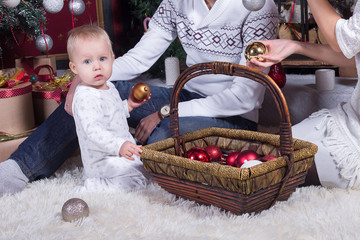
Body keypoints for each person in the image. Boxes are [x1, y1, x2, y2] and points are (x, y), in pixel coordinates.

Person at [0, 0, 279, 196]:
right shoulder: (177, 3)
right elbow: (140, 58)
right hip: (186, 95)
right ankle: (19, 168)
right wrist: (82, 79)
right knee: (96, 91)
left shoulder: (257, 6)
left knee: (160, 139)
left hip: (233, 116)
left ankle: (129, 145)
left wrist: (164, 112)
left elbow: (245, 98)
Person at [248, 0, 360, 189]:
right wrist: (295, 46)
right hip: (348, 121)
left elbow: (342, 40)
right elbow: (354, 53)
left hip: (353, 148)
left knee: (259, 175)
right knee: (260, 151)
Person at [67, 25, 150, 191]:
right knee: (133, 182)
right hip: (101, 160)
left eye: (102, 59)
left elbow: (111, 114)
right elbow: (93, 132)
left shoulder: (109, 87)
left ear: (112, 58)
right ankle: (93, 186)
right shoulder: (85, 97)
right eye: (87, 61)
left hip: (118, 153)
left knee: (145, 171)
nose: (97, 66)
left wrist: (128, 105)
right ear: (74, 68)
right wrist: (119, 145)